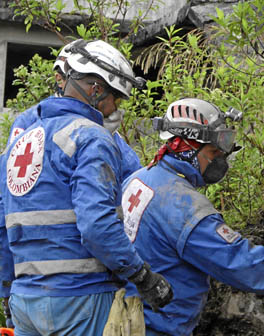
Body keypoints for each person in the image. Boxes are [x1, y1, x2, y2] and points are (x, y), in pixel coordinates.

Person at [121, 98, 264, 336]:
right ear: (184, 147)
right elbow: (243, 265)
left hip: (128, 320)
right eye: (212, 152)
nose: (219, 160)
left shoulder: (138, 179)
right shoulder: (182, 205)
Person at [0, 39, 172, 335]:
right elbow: (96, 226)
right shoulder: (92, 137)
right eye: (115, 99)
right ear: (96, 90)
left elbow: (3, 227)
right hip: (81, 301)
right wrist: (143, 277)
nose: (114, 108)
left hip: (25, 301)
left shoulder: (20, 142)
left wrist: (7, 291)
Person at [7, 39, 142, 180]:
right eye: (71, 77)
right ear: (59, 79)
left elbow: (131, 172)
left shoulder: (104, 128)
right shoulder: (30, 120)